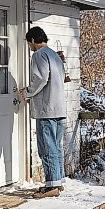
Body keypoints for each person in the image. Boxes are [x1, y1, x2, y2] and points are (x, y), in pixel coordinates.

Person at [19, 26, 66, 198]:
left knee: (47, 148)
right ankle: (58, 181)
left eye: (28, 43)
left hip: (47, 109)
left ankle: (51, 185)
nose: (29, 47)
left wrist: (27, 92)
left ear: (32, 40)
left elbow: (40, 78)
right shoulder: (55, 55)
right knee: (56, 146)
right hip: (60, 108)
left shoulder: (39, 55)